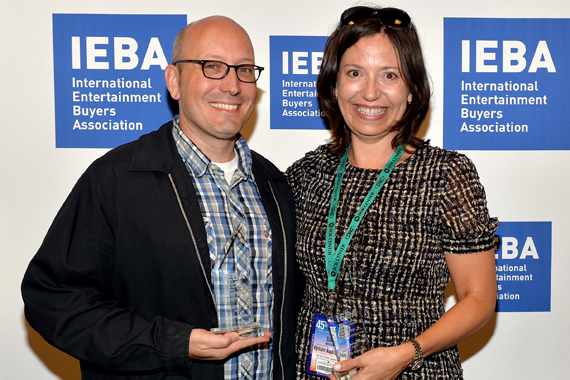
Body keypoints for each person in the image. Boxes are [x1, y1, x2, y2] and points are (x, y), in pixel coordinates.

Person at [22, 16, 298, 380]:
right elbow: (52, 298)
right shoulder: (117, 178)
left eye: (244, 70)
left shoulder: (277, 185)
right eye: (212, 67)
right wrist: (172, 342)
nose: (232, 85)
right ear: (174, 81)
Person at [286, 6, 498, 380]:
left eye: (389, 75)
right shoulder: (308, 173)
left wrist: (406, 354)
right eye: (354, 74)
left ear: (413, 89)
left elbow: (479, 300)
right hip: (317, 370)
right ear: (334, 85)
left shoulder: (446, 174)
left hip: (415, 371)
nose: (370, 92)